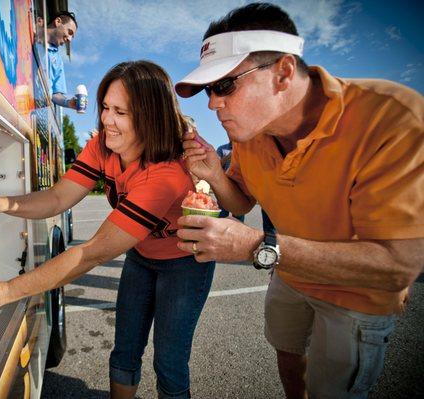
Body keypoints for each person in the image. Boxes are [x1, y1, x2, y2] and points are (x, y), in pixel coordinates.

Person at [174, 3, 423, 399]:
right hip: (290, 276)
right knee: (289, 359)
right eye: (208, 90)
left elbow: (399, 266)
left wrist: (257, 246)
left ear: (284, 73)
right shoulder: (249, 136)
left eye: (224, 86)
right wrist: (214, 174)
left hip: (355, 295)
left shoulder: (391, 117)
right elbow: (240, 203)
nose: (212, 104)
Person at [0, 60, 215, 399]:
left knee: (170, 363)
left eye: (121, 112)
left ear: (150, 117)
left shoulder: (166, 175)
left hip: (184, 264)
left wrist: (6, 291)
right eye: (105, 107)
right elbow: (59, 197)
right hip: (141, 256)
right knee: (124, 352)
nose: (106, 120)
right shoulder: (104, 144)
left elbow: (91, 253)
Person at [44, 11, 80, 110]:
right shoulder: (30, 32)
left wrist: (68, 102)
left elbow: (55, 94)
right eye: (70, 32)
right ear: (58, 21)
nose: (70, 39)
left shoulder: (58, 61)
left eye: (72, 37)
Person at [215, 142, 244, 222]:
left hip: (240, 188)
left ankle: (238, 233)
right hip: (224, 187)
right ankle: (219, 233)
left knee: (239, 217)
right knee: (222, 216)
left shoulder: (245, 150)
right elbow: (216, 165)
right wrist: (229, 155)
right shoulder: (221, 149)